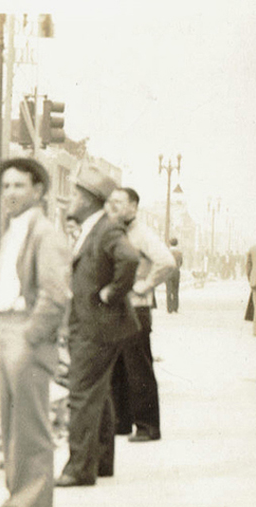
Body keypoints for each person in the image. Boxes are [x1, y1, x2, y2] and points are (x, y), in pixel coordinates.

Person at [0, 158, 70, 507]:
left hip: (26, 333)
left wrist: (32, 337)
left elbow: (55, 294)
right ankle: (17, 498)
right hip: (5, 330)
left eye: (19, 186)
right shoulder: (12, 230)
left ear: (38, 191)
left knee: (31, 427)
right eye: (6, 187)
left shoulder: (45, 233)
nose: (11, 193)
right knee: (10, 424)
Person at [56, 165, 140, 487]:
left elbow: (129, 260)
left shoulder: (106, 229)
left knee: (81, 394)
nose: (72, 199)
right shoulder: (95, 227)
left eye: (77, 194)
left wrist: (112, 293)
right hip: (97, 325)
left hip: (96, 326)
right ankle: (101, 461)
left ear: (90, 199)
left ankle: (79, 468)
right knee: (99, 394)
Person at [105, 188, 176, 442]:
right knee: (119, 367)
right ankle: (121, 423)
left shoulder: (142, 233)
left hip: (137, 308)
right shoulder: (118, 232)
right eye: (111, 202)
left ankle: (147, 426)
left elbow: (167, 262)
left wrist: (144, 285)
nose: (113, 207)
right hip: (119, 308)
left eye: (120, 203)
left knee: (139, 368)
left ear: (134, 206)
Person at [166, 237, 183, 313]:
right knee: (175, 290)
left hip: (168, 272)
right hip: (176, 272)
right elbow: (181, 262)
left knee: (168, 291)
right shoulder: (179, 252)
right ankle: (175, 308)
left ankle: (169, 308)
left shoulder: (167, 251)